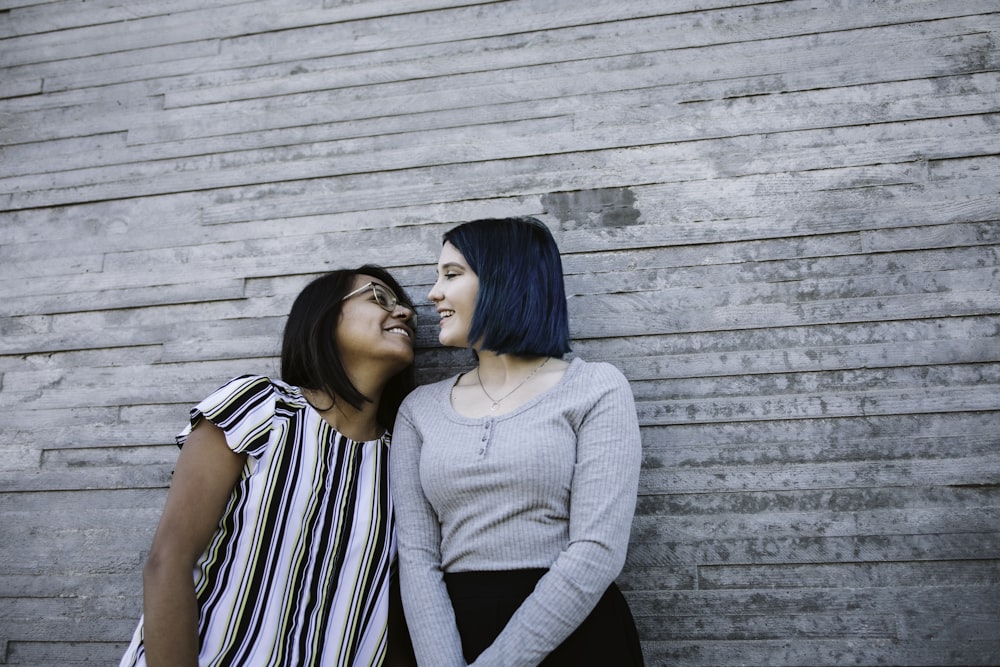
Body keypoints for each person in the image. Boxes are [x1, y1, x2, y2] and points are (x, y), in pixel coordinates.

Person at [120, 265, 418, 667]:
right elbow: (168, 560)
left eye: (403, 306)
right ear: (324, 318)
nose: (404, 313)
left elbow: (394, 616)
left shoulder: (402, 459)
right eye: (379, 298)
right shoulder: (261, 408)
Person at [390, 217, 644, 666]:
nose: (433, 293)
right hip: (449, 636)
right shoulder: (419, 409)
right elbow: (415, 557)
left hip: (574, 635)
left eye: (451, 274)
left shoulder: (596, 387)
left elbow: (597, 550)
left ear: (503, 278)